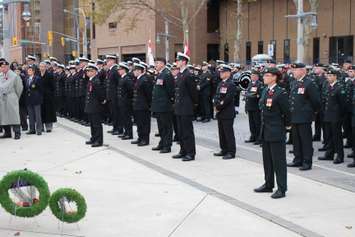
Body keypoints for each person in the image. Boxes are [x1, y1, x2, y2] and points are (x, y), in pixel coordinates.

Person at [254, 67, 290, 199]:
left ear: (274, 77)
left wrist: (286, 128)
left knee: (278, 161)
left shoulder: (281, 93)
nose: (264, 77)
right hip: (266, 130)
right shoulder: (265, 90)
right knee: (267, 160)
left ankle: (282, 188)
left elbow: (287, 113)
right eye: (264, 75)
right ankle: (268, 184)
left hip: (276, 131)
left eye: (267, 75)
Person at [287, 63, 320, 171]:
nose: (293, 72)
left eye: (295, 70)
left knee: (305, 140)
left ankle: (307, 162)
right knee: (296, 140)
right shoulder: (294, 82)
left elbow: (316, 101)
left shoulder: (309, 83)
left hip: (304, 117)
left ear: (302, 70)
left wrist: (310, 112)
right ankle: (298, 159)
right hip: (295, 116)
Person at [173, 52, 198, 162]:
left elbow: (193, 93)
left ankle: (190, 153)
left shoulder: (188, 75)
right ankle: (183, 150)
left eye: (178, 60)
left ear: (184, 62)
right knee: (181, 131)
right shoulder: (180, 74)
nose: (176, 62)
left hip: (186, 107)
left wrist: (193, 106)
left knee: (187, 132)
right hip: (179, 107)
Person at [318, 68, 346, 164]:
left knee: (337, 137)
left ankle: (339, 155)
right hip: (327, 115)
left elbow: (343, 104)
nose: (328, 77)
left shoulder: (340, 87)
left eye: (330, 76)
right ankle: (329, 154)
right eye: (328, 75)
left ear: (335, 76)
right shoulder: (327, 86)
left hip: (336, 116)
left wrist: (340, 116)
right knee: (328, 136)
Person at [151, 58, 175, 153]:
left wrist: (168, 102)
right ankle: (162, 143)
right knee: (161, 127)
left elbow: (170, 91)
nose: (155, 65)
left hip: (165, 106)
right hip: (158, 106)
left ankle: (167, 146)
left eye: (157, 63)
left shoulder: (167, 74)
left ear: (162, 64)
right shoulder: (160, 74)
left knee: (167, 127)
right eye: (155, 63)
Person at [213, 64, 237, 160]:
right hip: (220, 112)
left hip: (227, 112)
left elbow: (227, 99)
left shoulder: (231, 84)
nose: (221, 74)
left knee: (228, 133)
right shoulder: (221, 83)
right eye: (220, 72)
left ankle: (231, 152)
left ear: (228, 73)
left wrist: (218, 106)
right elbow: (217, 96)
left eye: (223, 72)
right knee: (221, 132)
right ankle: (223, 149)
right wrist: (215, 104)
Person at [0, 61, 23, 139]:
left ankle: (17, 133)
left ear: (7, 67)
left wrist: (15, 97)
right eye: (1, 67)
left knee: (14, 115)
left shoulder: (14, 76)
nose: (2, 68)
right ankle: (7, 132)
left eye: (4, 66)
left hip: (11, 97)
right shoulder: (0, 75)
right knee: (4, 116)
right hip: (2, 98)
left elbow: (19, 88)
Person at [84, 63, 106, 147]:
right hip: (91, 106)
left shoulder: (96, 81)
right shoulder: (91, 80)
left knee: (97, 124)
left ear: (95, 72)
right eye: (87, 71)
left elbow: (100, 94)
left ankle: (98, 141)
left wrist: (101, 101)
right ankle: (93, 138)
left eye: (90, 71)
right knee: (92, 124)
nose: (88, 72)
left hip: (95, 106)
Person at [131, 63, 153, 146]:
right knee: (139, 123)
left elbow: (148, 94)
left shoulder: (145, 79)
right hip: (137, 105)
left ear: (139, 71)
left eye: (135, 70)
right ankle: (140, 138)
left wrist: (148, 104)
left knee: (144, 124)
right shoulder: (138, 79)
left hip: (143, 106)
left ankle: (145, 139)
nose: (134, 72)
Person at [245, 70, 263, 145]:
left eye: (254, 76)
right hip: (250, 106)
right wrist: (246, 106)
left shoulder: (260, 84)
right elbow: (247, 94)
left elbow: (260, 96)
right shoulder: (250, 84)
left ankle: (259, 138)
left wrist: (252, 95)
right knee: (251, 123)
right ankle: (253, 136)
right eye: (251, 76)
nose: (252, 77)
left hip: (256, 107)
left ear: (257, 76)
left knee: (257, 123)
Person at [117, 62, 134, 140]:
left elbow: (131, 90)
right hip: (122, 102)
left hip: (126, 102)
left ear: (124, 70)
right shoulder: (122, 78)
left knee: (127, 118)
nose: (118, 71)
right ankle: (126, 132)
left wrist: (126, 99)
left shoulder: (127, 79)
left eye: (120, 69)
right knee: (124, 118)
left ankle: (129, 134)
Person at [25, 65, 43, 135]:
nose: (28, 71)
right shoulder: (27, 79)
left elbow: (41, 89)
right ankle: (32, 129)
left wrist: (39, 98)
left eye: (30, 70)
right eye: (28, 70)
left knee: (37, 116)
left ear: (33, 71)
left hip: (36, 99)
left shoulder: (37, 79)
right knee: (30, 115)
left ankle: (39, 130)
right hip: (29, 100)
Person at [39, 62, 57, 132]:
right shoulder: (37, 75)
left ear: (46, 67)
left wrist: (50, 94)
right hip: (40, 96)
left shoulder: (49, 75)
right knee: (41, 111)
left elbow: (53, 86)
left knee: (48, 112)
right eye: (40, 67)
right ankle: (41, 126)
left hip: (48, 97)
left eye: (43, 67)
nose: (42, 68)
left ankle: (49, 127)